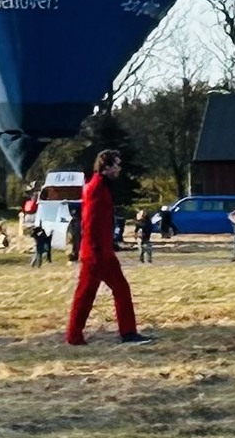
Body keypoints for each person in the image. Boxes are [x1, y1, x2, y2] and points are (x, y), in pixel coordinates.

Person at [66, 149, 147, 347]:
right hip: (97, 253)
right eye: (117, 164)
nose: (119, 168)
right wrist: (99, 249)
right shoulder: (96, 189)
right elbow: (91, 223)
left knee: (93, 293)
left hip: (98, 252)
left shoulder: (97, 186)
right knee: (99, 292)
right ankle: (123, 334)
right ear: (107, 166)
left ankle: (77, 336)